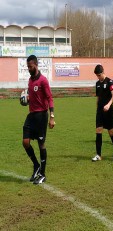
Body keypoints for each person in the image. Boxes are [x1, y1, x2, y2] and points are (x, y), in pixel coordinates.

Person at [22, 55, 55, 184]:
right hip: (31, 116)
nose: (28, 69)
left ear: (35, 65)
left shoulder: (43, 81)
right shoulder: (30, 81)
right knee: (25, 142)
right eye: (27, 67)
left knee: (41, 144)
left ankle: (42, 174)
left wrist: (52, 117)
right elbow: (32, 96)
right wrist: (26, 100)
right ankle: (36, 165)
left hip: (41, 116)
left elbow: (50, 98)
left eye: (30, 66)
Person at [92, 65, 113, 162]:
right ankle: (98, 155)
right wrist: (97, 107)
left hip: (109, 111)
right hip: (100, 111)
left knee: (111, 131)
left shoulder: (109, 82)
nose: (98, 77)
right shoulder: (97, 84)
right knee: (98, 130)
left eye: (99, 75)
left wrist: (108, 105)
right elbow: (98, 97)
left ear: (103, 72)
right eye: (97, 75)